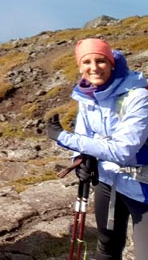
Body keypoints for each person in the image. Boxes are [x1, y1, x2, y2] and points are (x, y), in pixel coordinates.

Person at [46, 38, 148, 260]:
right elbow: (85, 135)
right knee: (107, 246)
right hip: (108, 180)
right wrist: (82, 158)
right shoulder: (87, 95)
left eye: (101, 60)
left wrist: (64, 138)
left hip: (143, 185)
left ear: (112, 63)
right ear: (79, 67)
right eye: (87, 62)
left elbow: (123, 150)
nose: (94, 68)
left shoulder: (138, 96)